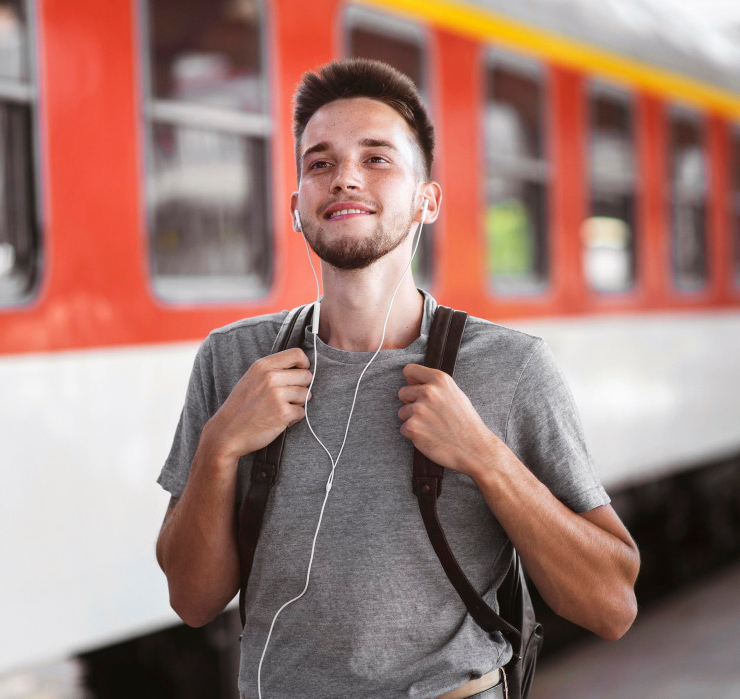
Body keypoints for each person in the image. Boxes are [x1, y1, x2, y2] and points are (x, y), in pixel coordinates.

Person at [155, 58, 639, 699]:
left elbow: (611, 607)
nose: (344, 177)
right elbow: (193, 601)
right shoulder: (232, 361)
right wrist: (219, 447)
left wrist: (486, 458)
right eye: (319, 162)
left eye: (377, 158)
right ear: (297, 205)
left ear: (426, 199)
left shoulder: (511, 367)